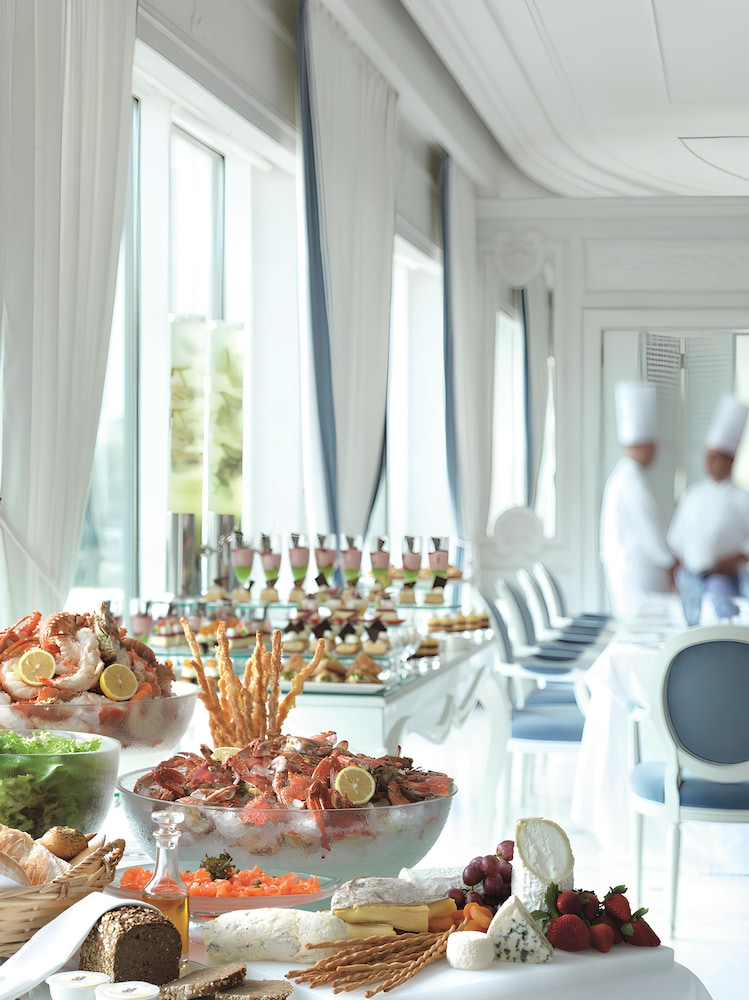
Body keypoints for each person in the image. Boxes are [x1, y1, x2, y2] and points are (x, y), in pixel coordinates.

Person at [668, 394, 749, 624]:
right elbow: (677, 540)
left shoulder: (742, 498)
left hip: (727, 583)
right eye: (707, 456)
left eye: (716, 457)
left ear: (730, 460)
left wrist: (734, 558)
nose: (709, 462)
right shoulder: (692, 495)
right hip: (691, 581)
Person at [600, 381, 676, 620]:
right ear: (645, 444)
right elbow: (652, 534)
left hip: (633, 576)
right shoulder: (632, 480)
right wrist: (673, 562)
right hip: (638, 579)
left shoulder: (626, 475)